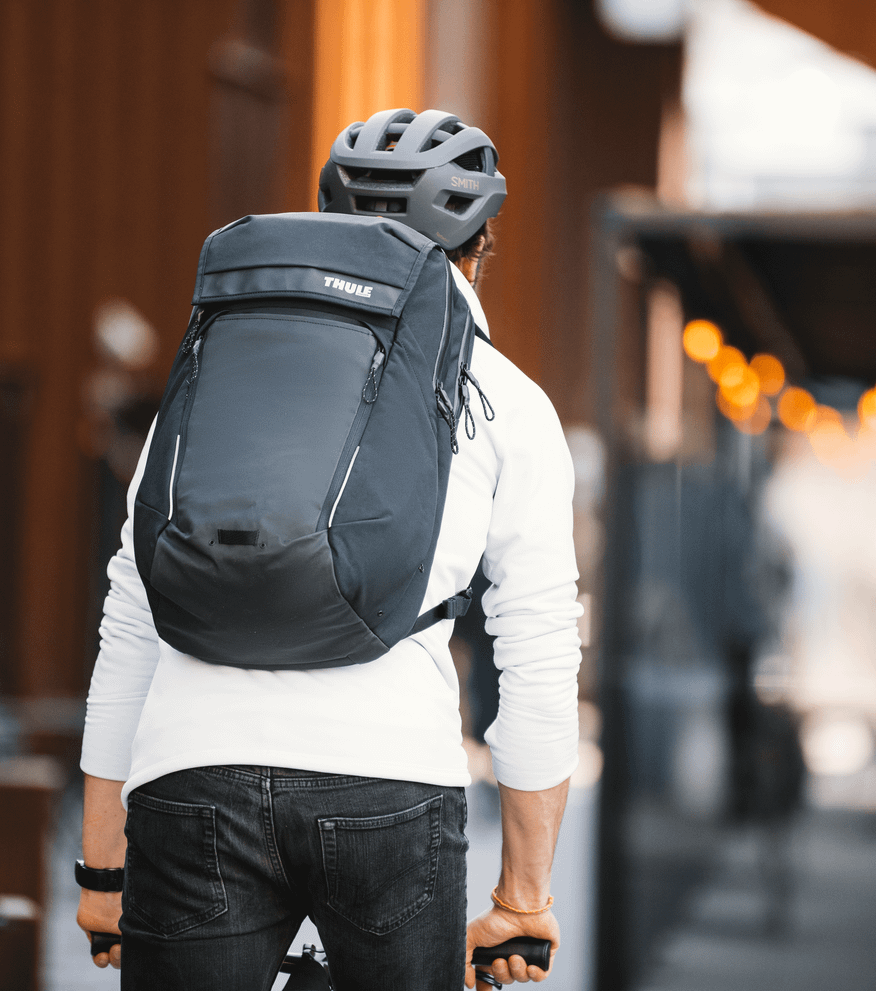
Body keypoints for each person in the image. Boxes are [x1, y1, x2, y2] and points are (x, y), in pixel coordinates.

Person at [76, 108, 582, 991]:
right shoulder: (508, 400)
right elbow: (538, 651)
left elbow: (131, 614)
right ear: (478, 246)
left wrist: (101, 867)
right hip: (387, 783)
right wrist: (524, 895)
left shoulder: (213, 373)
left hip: (193, 773)